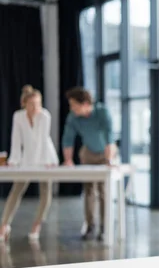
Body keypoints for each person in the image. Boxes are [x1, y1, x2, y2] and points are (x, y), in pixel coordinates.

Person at [0, 85, 59, 241]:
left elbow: (42, 141)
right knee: (16, 191)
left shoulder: (45, 116)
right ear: (24, 103)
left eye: (38, 103)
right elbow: (16, 140)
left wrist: (42, 164)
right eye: (32, 104)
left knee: (46, 192)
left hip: (46, 158)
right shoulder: (18, 116)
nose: (35, 107)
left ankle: (37, 224)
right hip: (27, 159)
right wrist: (14, 161)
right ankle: (4, 224)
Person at [62, 87, 116, 241]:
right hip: (88, 153)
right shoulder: (73, 117)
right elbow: (68, 139)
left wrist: (109, 160)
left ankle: (105, 227)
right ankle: (90, 225)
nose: (72, 108)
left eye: (74, 105)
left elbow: (109, 137)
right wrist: (68, 160)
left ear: (85, 103)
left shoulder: (102, 112)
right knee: (89, 191)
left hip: (105, 152)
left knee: (103, 191)